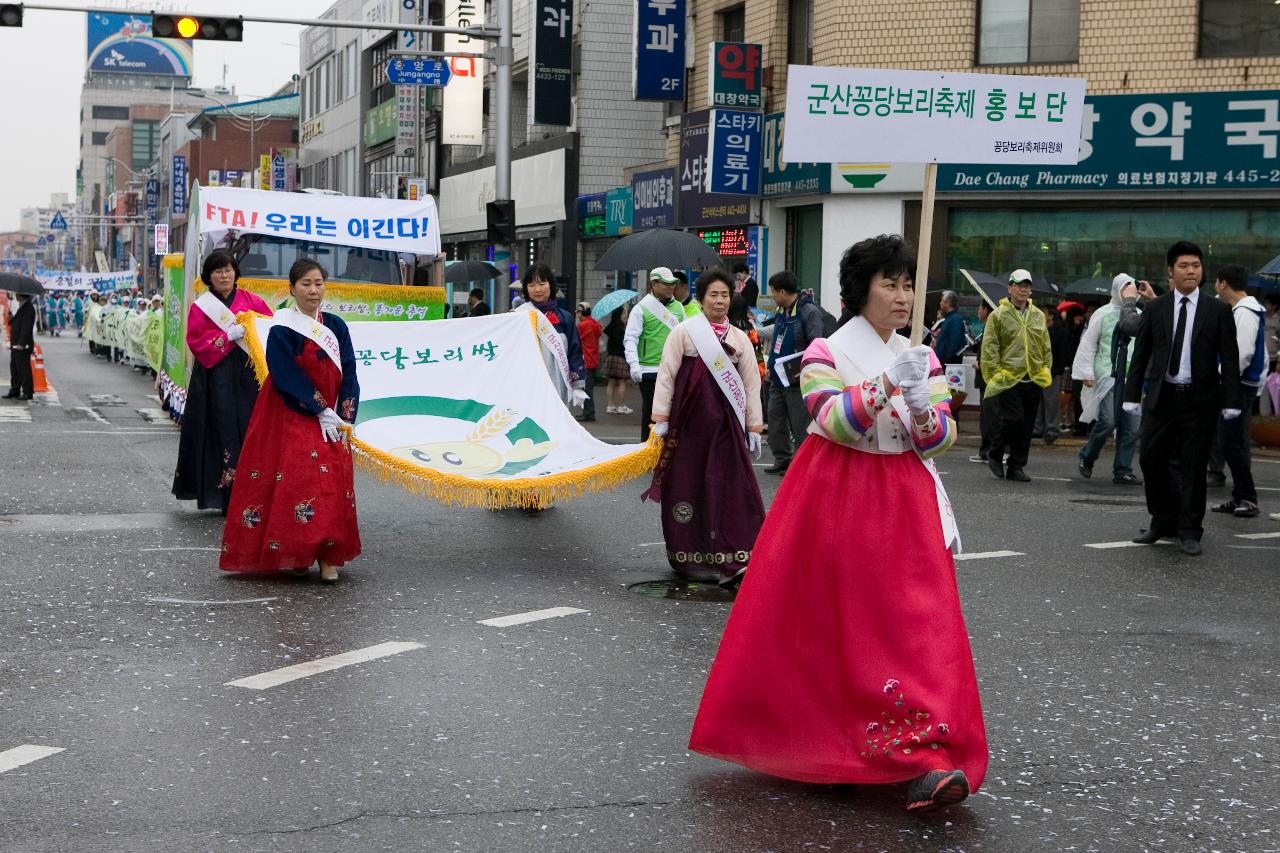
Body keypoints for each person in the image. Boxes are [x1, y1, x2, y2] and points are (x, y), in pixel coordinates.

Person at [689, 234, 984, 814]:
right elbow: (834, 419)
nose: (903, 297)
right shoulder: (825, 350)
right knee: (841, 627)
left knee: (918, 619)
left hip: (905, 493)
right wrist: (887, 384)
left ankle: (926, 756)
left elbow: (941, 439)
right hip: (838, 495)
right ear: (860, 290)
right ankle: (841, 746)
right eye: (890, 284)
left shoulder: (922, 355)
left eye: (908, 285)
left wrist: (923, 402)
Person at [221, 259, 360, 583]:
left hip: (332, 418)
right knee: (299, 480)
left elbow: (350, 370)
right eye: (306, 284)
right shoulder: (283, 328)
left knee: (333, 484)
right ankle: (297, 551)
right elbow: (283, 373)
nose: (314, 290)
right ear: (292, 289)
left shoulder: (336, 326)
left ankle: (328, 557)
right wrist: (319, 407)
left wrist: (344, 415)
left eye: (319, 284)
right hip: (291, 410)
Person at [643, 269, 764, 584]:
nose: (720, 301)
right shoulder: (684, 333)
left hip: (727, 427)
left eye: (725, 295)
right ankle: (691, 555)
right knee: (688, 485)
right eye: (714, 294)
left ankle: (735, 553)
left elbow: (751, 384)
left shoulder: (739, 339)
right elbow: (667, 375)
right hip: (689, 425)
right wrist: (661, 420)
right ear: (701, 298)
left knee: (734, 488)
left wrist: (754, 425)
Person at [1124, 241, 1242, 557]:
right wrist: (1131, 395)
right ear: (1171, 271)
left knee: (1192, 467)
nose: (1191, 271)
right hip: (1162, 399)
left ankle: (1190, 529)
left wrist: (1231, 400)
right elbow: (1142, 354)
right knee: (1150, 459)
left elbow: (1229, 358)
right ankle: (1162, 520)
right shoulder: (1157, 308)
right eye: (1184, 266)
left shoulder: (1217, 311)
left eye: (1196, 265)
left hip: (1199, 402)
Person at [171, 250, 274, 512]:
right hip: (215, 376)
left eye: (228, 269)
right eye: (218, 271)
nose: (224, 275)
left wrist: (249, 334)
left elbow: (270, 333)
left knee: (252, 428)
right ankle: (225, 495)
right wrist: (228, 336)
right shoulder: (201, 306)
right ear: (209, 276)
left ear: (235, 272)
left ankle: (254, 492)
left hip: (248, 375)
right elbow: (196, 341)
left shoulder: (253, 301)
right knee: (220, 429)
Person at [1075, 275, 1149, 484]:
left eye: (1132, 286)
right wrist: (1086, 372)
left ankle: (1123, 469)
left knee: (1131, 427)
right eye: (1125, 286)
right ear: (1116, 289)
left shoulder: (1140, 315)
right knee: (1108, 420)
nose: (1129, 290)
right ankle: (1087, 455)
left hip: (1132, 378)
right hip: (1107, 375)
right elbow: (1088, 344)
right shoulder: (1102, 314)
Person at [1206, 265, 1266, 518]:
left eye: (1216, 283)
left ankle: (1248, 498)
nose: (1214, 288)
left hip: (1237, 386)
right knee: (1231, 442)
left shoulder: (1244, 312)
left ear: (1222, 284)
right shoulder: (1245, 310)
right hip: (1240, 385)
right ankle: (1240, 496)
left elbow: (1240, 355)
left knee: (1231, 443)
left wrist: (1222, 381)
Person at [980, 269, 1052, 482]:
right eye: (1019, 285)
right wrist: (994, 374)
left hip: (1034, 377)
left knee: (1027, 425)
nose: (1023, 289)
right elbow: (990, 346)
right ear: (1010, 288)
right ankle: (995, 452)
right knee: (1013, 419)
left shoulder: (1038, 315)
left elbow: (1045, 345)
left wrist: (1045, 369)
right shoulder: (998, 315)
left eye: (1027, 286)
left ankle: (1016, 466)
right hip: (1009, 377)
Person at [762, 270, 825, 475]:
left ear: (782, 291)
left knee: (800, 425)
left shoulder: (809, 312)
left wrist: (803, 370)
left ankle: (801, 465)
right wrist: (770, 366)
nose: (772, 296)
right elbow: (776, 342)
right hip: (777, 378)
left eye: (773, 291)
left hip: (797, 379)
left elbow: (816, 344)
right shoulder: (782, 311)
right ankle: (782, 459)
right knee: (775, 419)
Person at [624, 267, 687, 441]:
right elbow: (630, 338)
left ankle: (668, 457)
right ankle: (648, 455)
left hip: (674, 370)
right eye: (665, 283)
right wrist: (634, 365)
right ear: (654, 284)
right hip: (648, 370)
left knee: (673, 415)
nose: (670, 287)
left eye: (673, 284)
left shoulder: (678, 307)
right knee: (652, 416)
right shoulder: (641, 308)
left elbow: (686, 337)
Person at [520, 264, 588, 409]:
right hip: (526, 384)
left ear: (551, 285)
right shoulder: (518, 316)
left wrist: (578, 386)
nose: (537, 289)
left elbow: (574, 352)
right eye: (531, 285)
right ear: (526, 288)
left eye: (542, 284)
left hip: (558, 383)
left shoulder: (565, 318)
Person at [1035, 306, 1069, 444]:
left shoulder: (1060, 332)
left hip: (1053, 371)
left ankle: (1051, 429)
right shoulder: (1037, 330)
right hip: (1037, 371)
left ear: (1051, 316)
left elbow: (1063, 352)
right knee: (1038, 401)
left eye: (1043, 313)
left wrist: (1057, 370)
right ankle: (1037, 428)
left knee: (1051, 401)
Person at [968, 301, 996, 464]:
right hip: (984, 376)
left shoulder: (992, 328)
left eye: (979, 308)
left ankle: (990, 451)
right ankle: (986, 451)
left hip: (988, 378)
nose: (978, 311)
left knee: (990, 416)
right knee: (986, 415)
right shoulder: (987, 327)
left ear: (986, 310)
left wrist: (982, 363)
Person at [4, 293, 36, 400]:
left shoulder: (28, 308)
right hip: (15, 343)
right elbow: (17, 323)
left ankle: (28, 392)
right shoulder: (22, 306)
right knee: (15, 367)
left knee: (24, 369)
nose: (16, 295)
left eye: (18, 293)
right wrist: (11, 317)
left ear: (22, 295)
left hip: (22, 345)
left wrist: (21, 343)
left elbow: (26, 328)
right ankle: (15, 390)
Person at [602, 307, 632, 415]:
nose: (626, 316)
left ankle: (610, 406)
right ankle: (621, 406)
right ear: (619, 315)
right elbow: (625, 343)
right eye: (624, 314)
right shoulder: (621, 329)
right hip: (620, 357)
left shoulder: (611, 327)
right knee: (622, 382)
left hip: (611, 357)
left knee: (611, 382)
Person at [576, 302, 602, 422]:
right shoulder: (595, 324)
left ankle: (589, 414)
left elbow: (576, 340)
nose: (577, 315)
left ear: (583, 312)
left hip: (585, 360)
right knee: (589, 388)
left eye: (578, 312)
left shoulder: (583, 325)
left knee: (587, 389)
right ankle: (588, 412)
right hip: (593, 359)